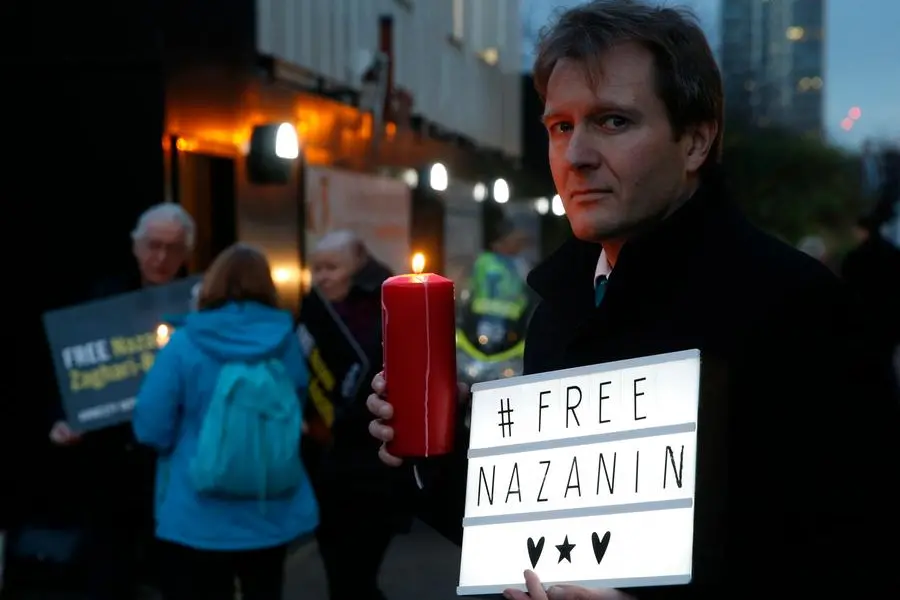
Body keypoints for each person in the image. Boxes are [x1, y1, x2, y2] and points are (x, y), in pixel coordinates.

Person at [366, 1, 900, 598]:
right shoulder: (558, 312)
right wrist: (446, 450)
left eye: (613, 121)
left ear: (696, 141)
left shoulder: (800, 312)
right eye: (560, 127)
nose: (576, 156)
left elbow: (854, 555)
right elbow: (538, 540)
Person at [132, 243, 318, 600]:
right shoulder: (286, 341)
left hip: (196, 512)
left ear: (211, 284)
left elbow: (150, 425)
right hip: (270, 508)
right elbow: (295, 407)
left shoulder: (185, 343)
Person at [46, 202, 195, 600]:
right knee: (108, 576)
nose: (161, 257)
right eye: (153, 245)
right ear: (134, 246)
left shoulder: (202, 305)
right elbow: (75, 368)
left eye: (173, 248)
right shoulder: (103, 297)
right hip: (111, 466)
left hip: (178, 468)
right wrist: (64, 419)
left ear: (187, 253)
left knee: (180, 579)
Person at [304, 230, 413, 600]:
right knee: (338, 571)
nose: (322, 277)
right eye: (316, 269)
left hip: (373, 466)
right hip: (325, 464)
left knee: (357, 573)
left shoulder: (387, 306)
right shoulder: (313, 309)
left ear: (358, 263)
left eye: (332, 267)